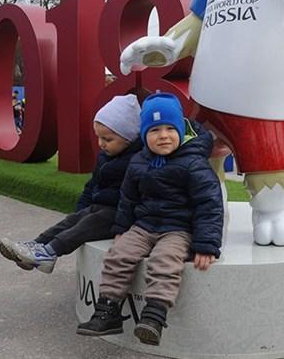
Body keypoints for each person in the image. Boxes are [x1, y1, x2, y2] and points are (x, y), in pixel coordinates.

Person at [76, 92, 223, 346]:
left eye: (170, 128)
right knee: (118, 255)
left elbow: (209, 204)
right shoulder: (138, 161)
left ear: (181, 130)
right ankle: (108, 311)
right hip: (144, 226)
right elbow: (128, 198)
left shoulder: (193, 163)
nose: (163, 135)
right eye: (155, 130)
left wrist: (206, 244)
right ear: (144, 135)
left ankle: (154, 316)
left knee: (164, 261)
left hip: (178, 229)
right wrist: (122, 227)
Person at [0, 94, 142, 273]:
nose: (101, 144)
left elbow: (134, 196)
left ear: (129, 137)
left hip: (118, 214)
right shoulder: (105, 157)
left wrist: (123, 225)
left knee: (85, 225)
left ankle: (49, 253)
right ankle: (36, 245)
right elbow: (92, 185)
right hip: (99, 207)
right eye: (99, 138)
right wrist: (80, 209)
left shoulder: (136, 161)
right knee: (71, 221)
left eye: (108, 140)